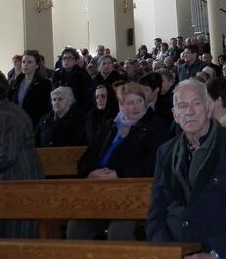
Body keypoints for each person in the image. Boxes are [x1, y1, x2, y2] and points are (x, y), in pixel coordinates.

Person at [147, 79, 226, 258]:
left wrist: (214, 253)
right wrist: (167, 251)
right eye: (182, 106)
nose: (189, 111)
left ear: (209, 107)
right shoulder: (166, 151)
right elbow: (157, 212)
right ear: (175, 114)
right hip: (176, 248)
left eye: (196, 103)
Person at [67, 82, 171, 240]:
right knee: (75, 228)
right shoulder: (109, 126)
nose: (135, 107)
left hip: (134, 195)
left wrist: (119, 174)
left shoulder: (155, 126)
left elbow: (152, 163)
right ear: (121, 106)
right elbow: (87, 158)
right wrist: (90, 173)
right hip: (99, 193)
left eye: (139, 101)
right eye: (130, 103)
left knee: (118, 232)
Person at [0, 65, 43, 238]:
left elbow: (5, 156)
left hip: (18, 186)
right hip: (10, 185)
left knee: (16, 241)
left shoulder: (4, 116)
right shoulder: (1, 111)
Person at [8, 50, 52, 128]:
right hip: (17, 125)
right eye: (23, 62)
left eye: (29, 62)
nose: (25, 65)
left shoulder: (44, 83)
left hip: (34, 125)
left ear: (37, 65)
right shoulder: (16, 81)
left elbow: (46, 109)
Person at [52, 47, 94, 113]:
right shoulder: (57, 75)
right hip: (60, 109)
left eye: (70, 58)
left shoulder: (82, 74)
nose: (66, 60)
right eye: (64, 58)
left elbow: (86, 96)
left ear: (75, 61)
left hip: (77, 110)